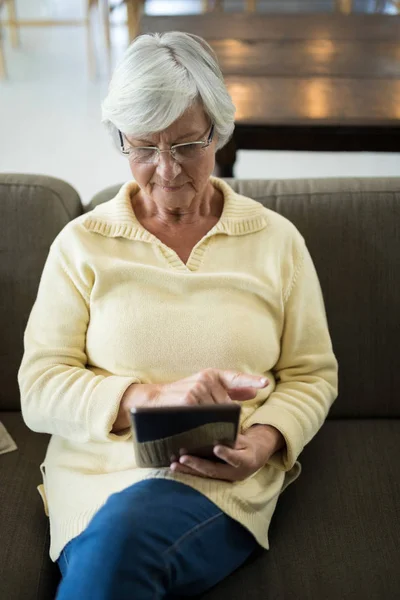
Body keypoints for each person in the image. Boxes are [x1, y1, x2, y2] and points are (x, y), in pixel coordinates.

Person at [18, 32, 338, 599]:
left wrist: (265, 439)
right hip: (96, 488)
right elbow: (39, 387)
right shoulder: (81, 245)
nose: (165, 170)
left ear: (218, 130)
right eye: (143, 147)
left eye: (187, 145)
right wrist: (151, 398)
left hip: (218, 487)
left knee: (123, 544)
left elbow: (313, 374)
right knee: (116, 540)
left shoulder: (275, 241)